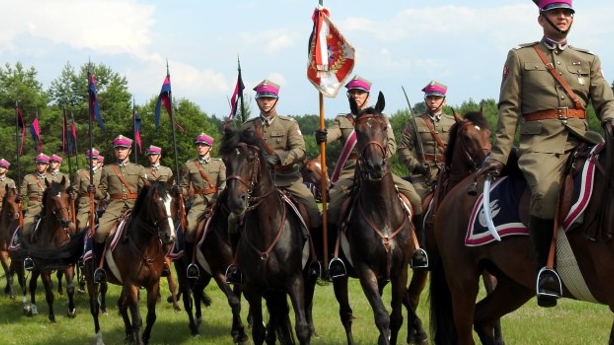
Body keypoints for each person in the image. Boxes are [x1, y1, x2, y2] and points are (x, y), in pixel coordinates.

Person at [477, 0, 614, 307]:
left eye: (568, 13)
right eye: (556, 12)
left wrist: (612, 120)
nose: (563, 17)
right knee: (545, 193)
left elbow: (605, 99)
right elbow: (509, 109)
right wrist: (499, 155)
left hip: (582, 140)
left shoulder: (587, 59)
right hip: (540, 144)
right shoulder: (521, 57)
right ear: (541, 19)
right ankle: (546, 270)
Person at [315, 75, 428, 277]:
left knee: (414, 198)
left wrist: (377, 158)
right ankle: (334, 258)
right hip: (352, 172)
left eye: (360, 93)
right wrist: (323, 136)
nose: (357, 96)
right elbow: (331, 135)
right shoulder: (343, 120)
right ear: (349, 96)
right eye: (353, 93)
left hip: (381, 171)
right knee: (333, 209)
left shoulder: (381, 119)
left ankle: (418, 250)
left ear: (367, 95)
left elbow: (391, 145)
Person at [240, 79, 322, 276]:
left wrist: (278, 158)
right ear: (258, 101)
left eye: (269, 98)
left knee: (312, 209)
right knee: (234, 217)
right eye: (262, 98)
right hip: (257, 185)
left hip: (288, 180)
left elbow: (300, 150)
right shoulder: (247, 127)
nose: (266, 102)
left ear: (276, 100)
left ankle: (318, 261)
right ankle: (238, 266)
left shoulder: (289, 124)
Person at [91, 136, 147, 276]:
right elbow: (102, 193)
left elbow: (145, 190)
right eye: (118, 149)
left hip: (135, 206)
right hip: (114, 207)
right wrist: (94, 191)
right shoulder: (108, 169)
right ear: (115, 151)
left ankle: (162, 263)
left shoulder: (139, 169)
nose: (120, 151)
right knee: (100, 232)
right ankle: (99, 267)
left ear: (129, 151)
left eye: (123, 149)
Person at [398, 80, 456, 201]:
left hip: (448, 173)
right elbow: (403, 148)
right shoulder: (415, 122)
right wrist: (416, 166)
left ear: (444, 101)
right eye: (430, 97)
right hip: (423, 177)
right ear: (425, 99)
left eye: (437, 97)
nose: (433, 101)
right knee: (417, 204)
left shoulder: (453, 123)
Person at [180, 133, 225, 275]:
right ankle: (191, 262)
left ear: (210, 148)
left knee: (234, 224)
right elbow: (184, 186)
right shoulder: (189, 165)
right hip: (199, 202)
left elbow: (223, 182)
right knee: (190, 228)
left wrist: (218, 197)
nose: (200, 147)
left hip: (218, 200)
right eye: (198, 145)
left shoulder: (219, 163)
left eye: (203, 145)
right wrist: (177, 189)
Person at [18, 153, 50, 241]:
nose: (40, 166)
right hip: (33, 208)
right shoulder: (28, 178)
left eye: (43, 164)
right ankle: (26, 251)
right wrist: (19, 197)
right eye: (38, 164)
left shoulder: (52, 178)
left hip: (48, 208)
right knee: (25, 230)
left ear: (47, 166)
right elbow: (22, 193)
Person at [70, 149, 102, 232]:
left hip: (100, 203)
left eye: (94, 159)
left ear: (97, 160)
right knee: (81, 227)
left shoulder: (103, 173)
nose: (92, 161)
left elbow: (107, 192)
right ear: (87, 159)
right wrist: (73, 196)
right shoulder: (80, 173)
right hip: (85, 204)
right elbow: (75, 190)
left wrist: (97, 193)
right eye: (90, 158)